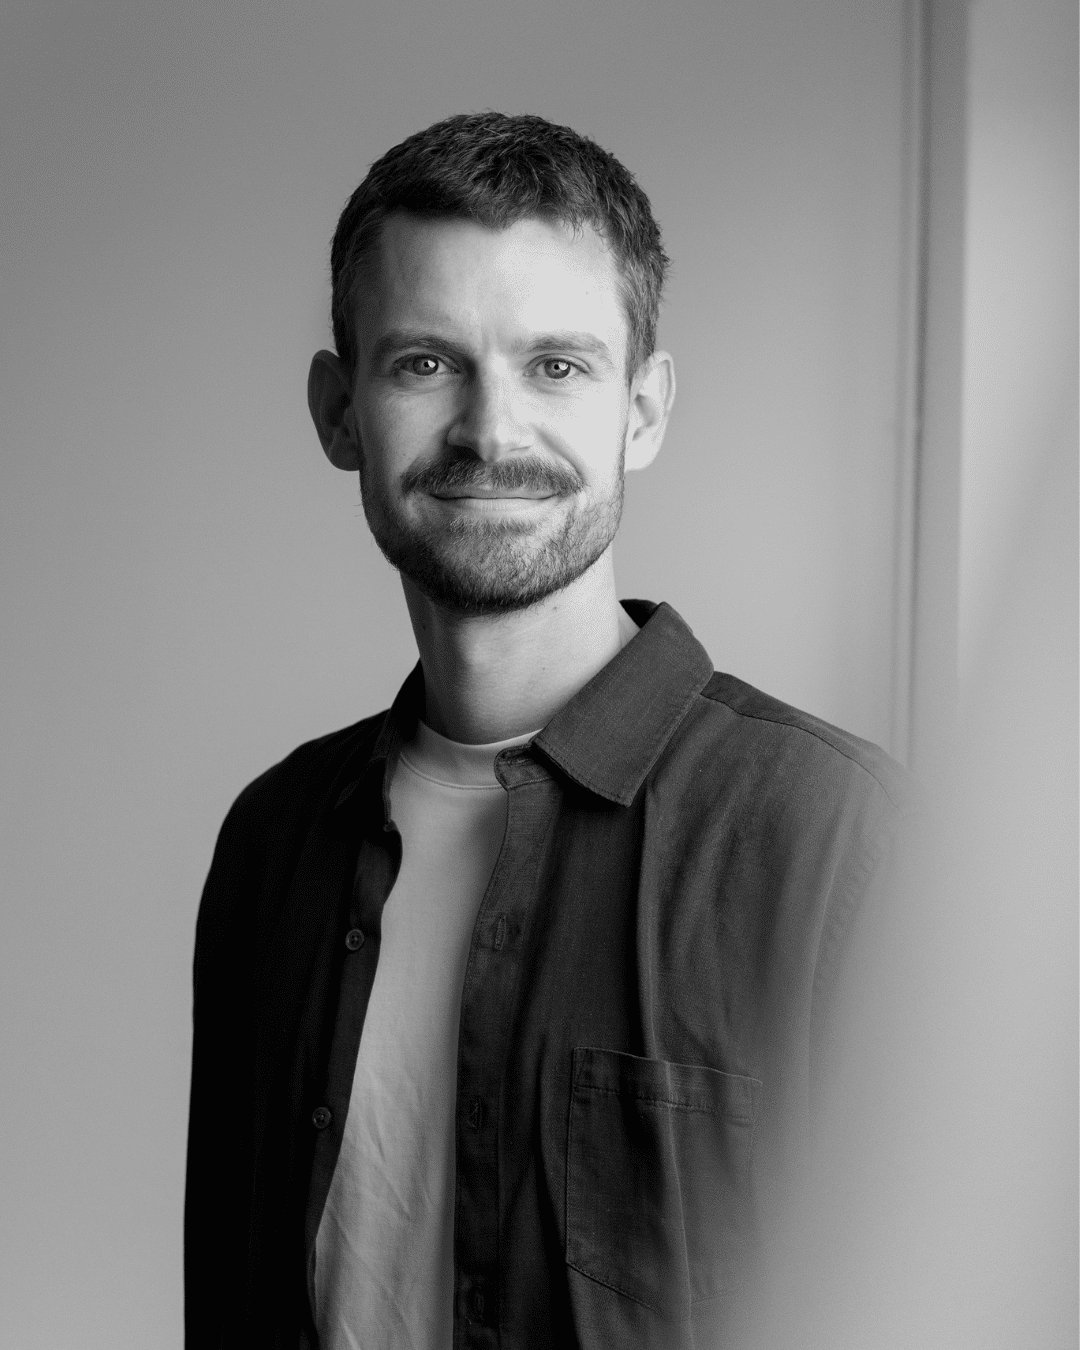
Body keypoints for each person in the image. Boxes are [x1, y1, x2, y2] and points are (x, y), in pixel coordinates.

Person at [184, 111, 915, 1350]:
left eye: (557, 367)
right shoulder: (274, 842)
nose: (491, 430)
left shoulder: (837, 837)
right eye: (426, 363)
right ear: (339, 410)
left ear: (644, 409)